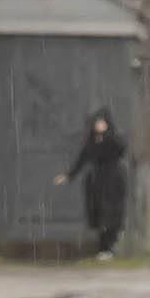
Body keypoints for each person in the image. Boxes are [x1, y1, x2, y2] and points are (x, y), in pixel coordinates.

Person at [62, 108, 130, 258]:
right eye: (97, 123)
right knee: (99, 214)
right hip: (98, 182)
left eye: (102, 122)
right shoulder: (91, 142)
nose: (99, 126)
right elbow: (83, 159)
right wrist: (69, 176)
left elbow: (121, 148)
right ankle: (103, 247)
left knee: (112, 214)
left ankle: (109, 246)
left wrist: (108, 137)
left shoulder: (114, 139)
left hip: (113, 180)